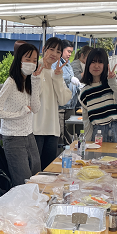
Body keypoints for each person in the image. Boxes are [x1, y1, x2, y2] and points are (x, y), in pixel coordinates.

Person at [0, 42, 42, 186]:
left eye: (34, 60)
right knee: (22, 181)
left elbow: (36, 108)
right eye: (28, 59)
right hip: (13, 138)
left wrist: (36, 81)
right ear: (19, 60)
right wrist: (19, 114)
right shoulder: (11, 82)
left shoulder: (30, 82)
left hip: (29, 134)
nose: (32, 63)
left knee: (36, 175)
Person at [33, 37, 72, 170]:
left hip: (52, 129)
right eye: (51, 49)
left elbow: (63, 99)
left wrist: (58, 77)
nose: (54, 54)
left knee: (48, 170)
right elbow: (35, 94)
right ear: (44, 49)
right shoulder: (34, 69)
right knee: (35, 170)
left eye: (58, 51)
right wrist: (39, 74)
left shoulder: (56, 73)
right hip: (35, 128)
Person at [78, 48, 117, 142]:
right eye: (93, 62)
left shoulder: (115, 79)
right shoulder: (85, 92)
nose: (96, 66)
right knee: (98, 153)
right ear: (88, 64)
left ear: (105, 64)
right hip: (98, 131)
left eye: (100, 62)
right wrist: (87, 143)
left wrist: (112, 82)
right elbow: (87, 122)